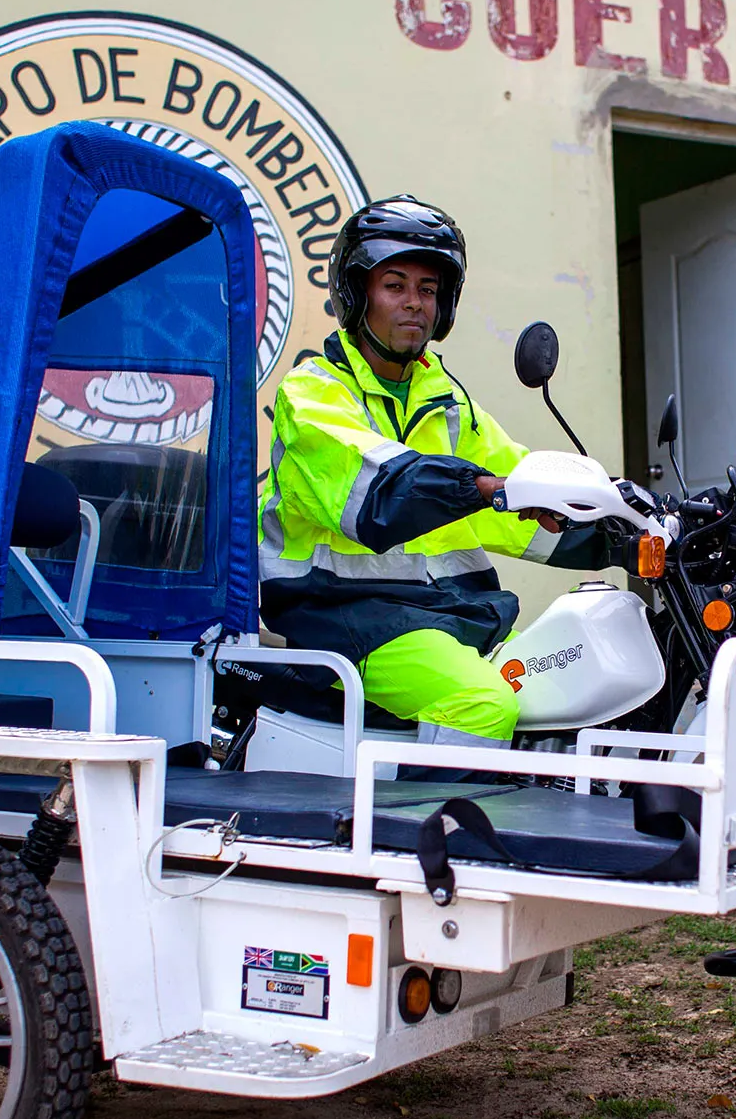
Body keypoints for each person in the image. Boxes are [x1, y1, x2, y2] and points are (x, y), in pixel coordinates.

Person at [257, 195, 610, 750]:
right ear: (357, 293)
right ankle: (432, 838)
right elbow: (382, 494)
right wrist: (484, 489)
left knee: (565, 683)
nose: (414, 304)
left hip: (443, 615)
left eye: (428, 290)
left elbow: (519, 483)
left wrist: (623, 517)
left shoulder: (443, 400)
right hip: (345, 620)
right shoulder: (313, 393)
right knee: (482, 704)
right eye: (394, 285)